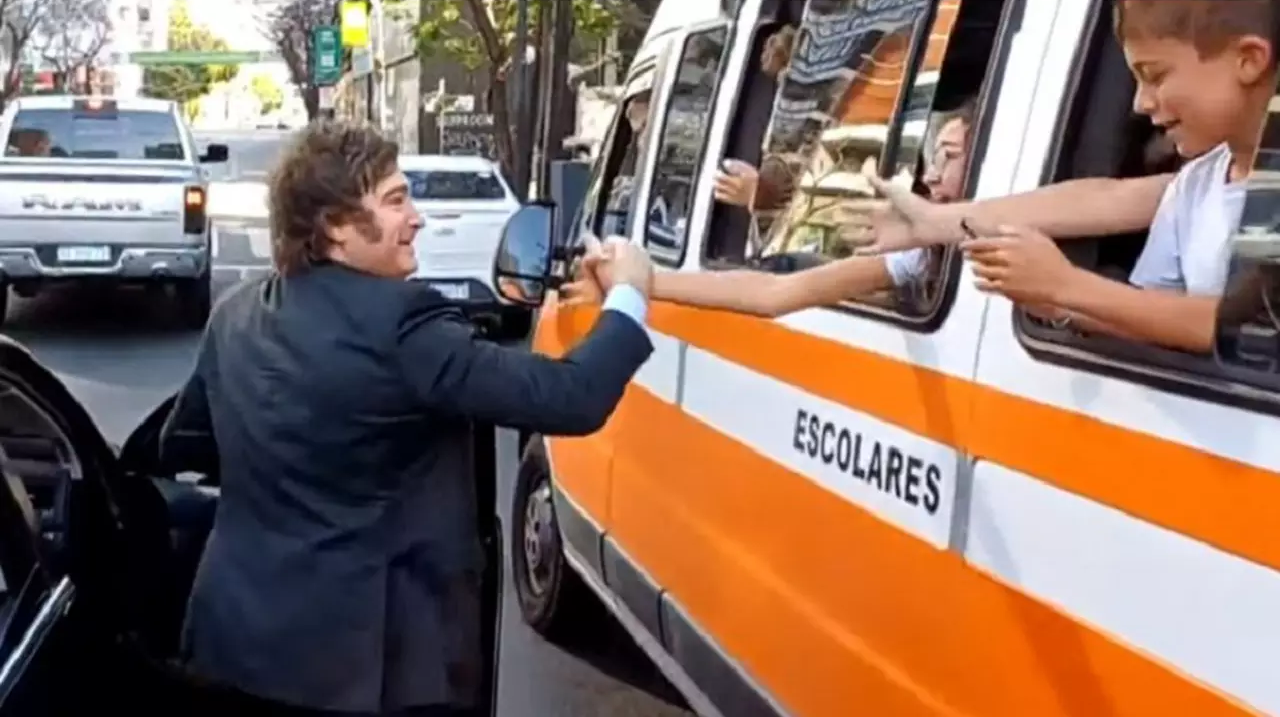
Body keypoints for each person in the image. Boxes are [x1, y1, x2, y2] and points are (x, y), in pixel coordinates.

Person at [158, 121, 655, 717]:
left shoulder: (235, 315)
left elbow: (183, 445)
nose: (416, 217)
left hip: (235, 644)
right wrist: (630, 295)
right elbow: (571, 396)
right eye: (395, 200)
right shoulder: (404, 325)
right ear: (334, 227)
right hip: (368, 670)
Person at [870, 0, 1276, 354]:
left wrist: (1069, 285)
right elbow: (1152, 311)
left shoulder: (1268, 178)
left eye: (1155, 75)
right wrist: (1055, 303)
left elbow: (1247, 330)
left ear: (1249, 59)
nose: (1139, 102)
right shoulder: (1195, 185)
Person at [567, 101, 977, 316]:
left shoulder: (1011, 229)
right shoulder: (919, 252)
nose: (933, 176)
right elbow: (777, 292)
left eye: (950, 157)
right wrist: (637, 282)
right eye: (933, 158)